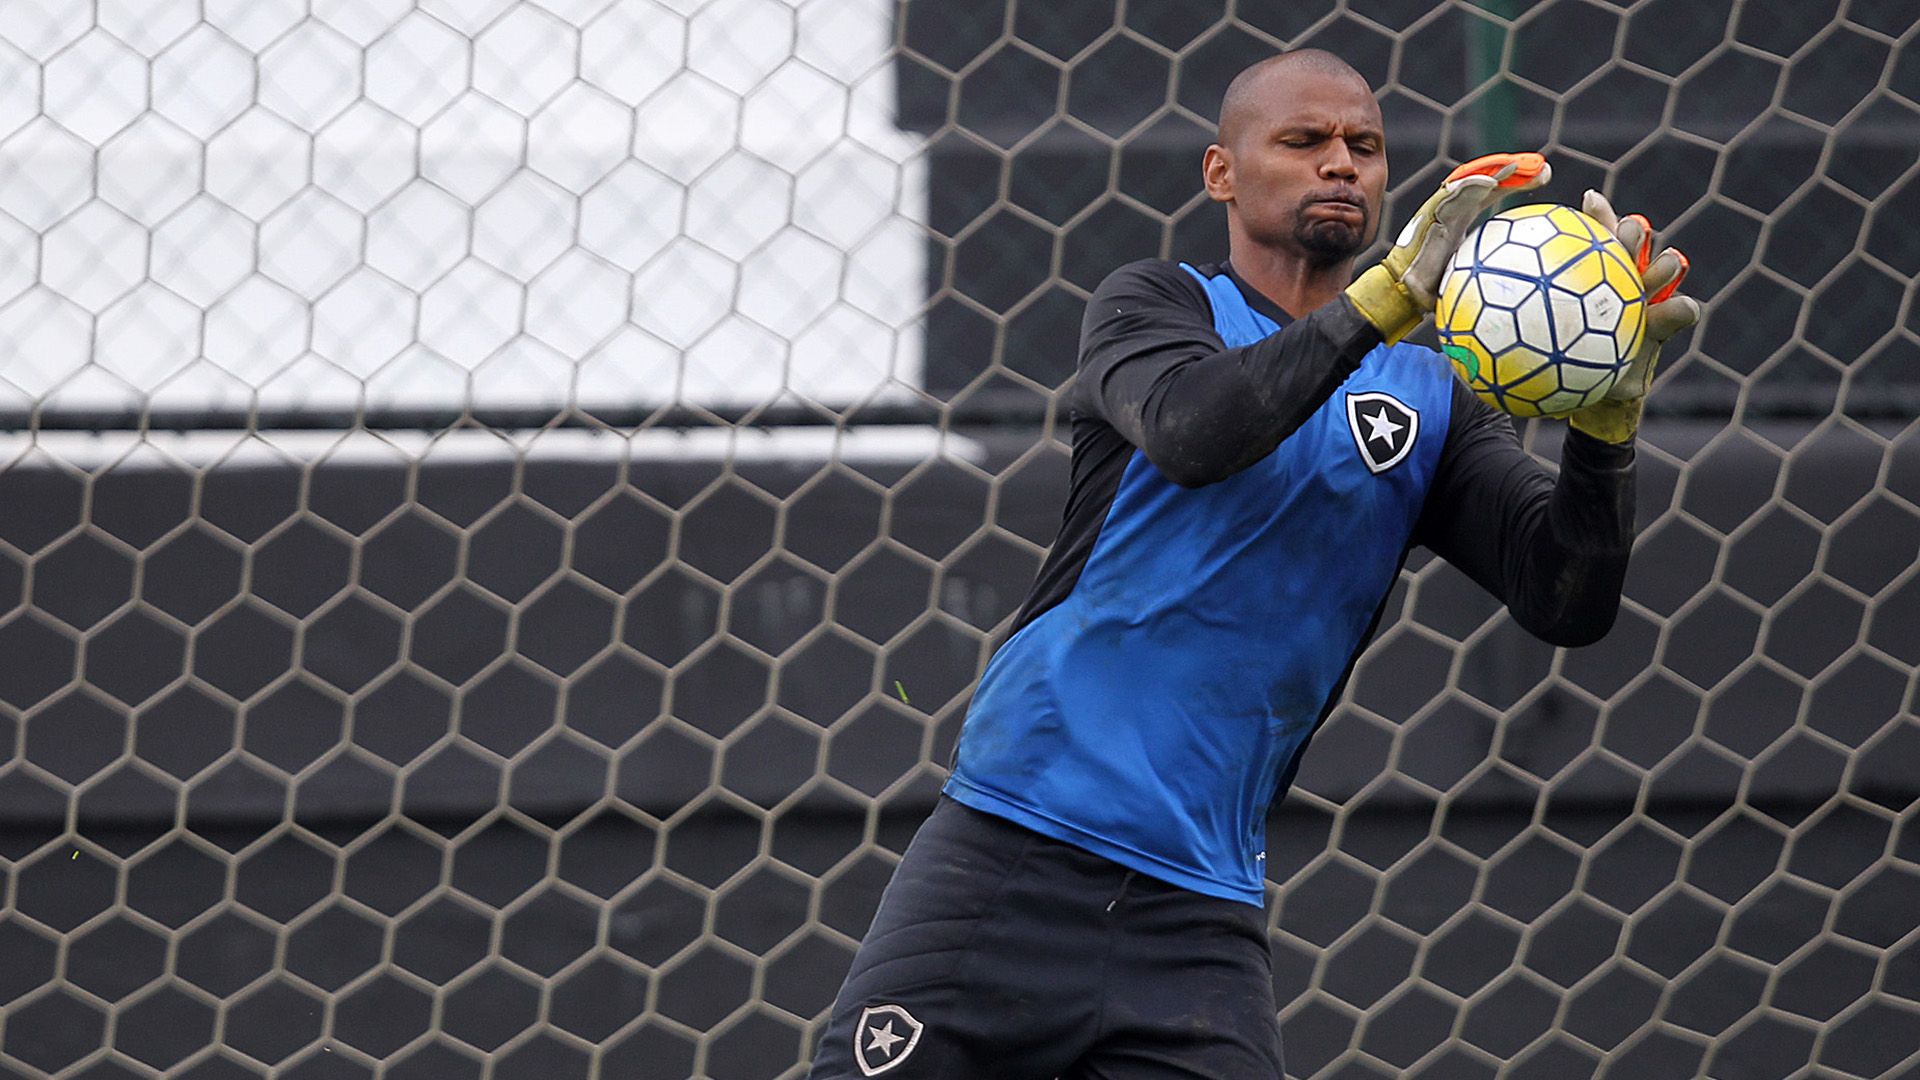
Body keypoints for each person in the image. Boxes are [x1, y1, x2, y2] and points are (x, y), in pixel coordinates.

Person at [807, 49, 1699, 1079]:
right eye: (1304, 141)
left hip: (1196, 924)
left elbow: (1566, 596)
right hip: (1008, 858)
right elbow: (1197, 434)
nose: (1341, 165)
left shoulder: (1431, 396)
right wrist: (1382, 302)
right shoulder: (1153, 308)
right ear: (1221, 173)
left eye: (1363, 147)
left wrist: (1606, 425)